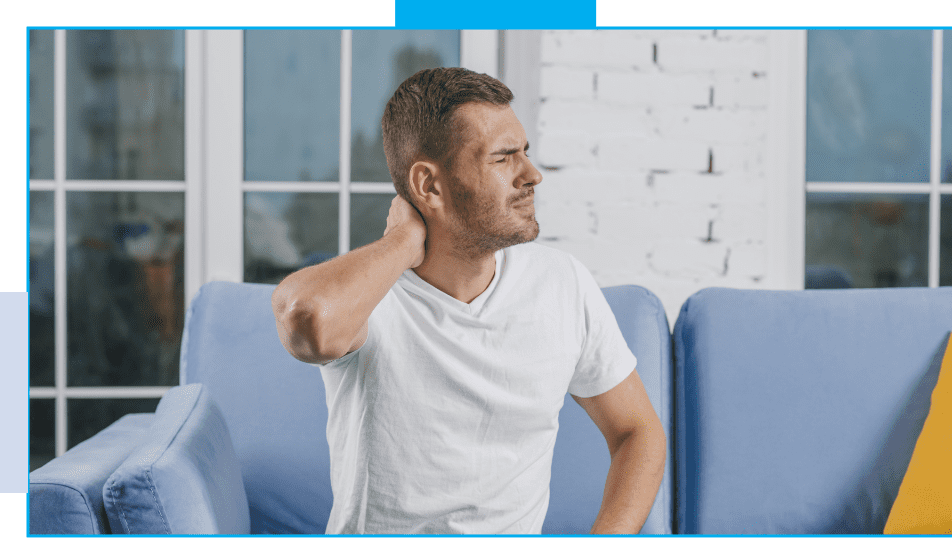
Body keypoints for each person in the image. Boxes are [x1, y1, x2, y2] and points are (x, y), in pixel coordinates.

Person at [271, 67, 665, 534]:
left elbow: (638, 432)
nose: (532, 175)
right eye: (503, 159)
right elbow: (307, 319)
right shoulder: (370, 298)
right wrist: (402, 240)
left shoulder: (563, 283)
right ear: (429, 185)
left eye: (525, 153)